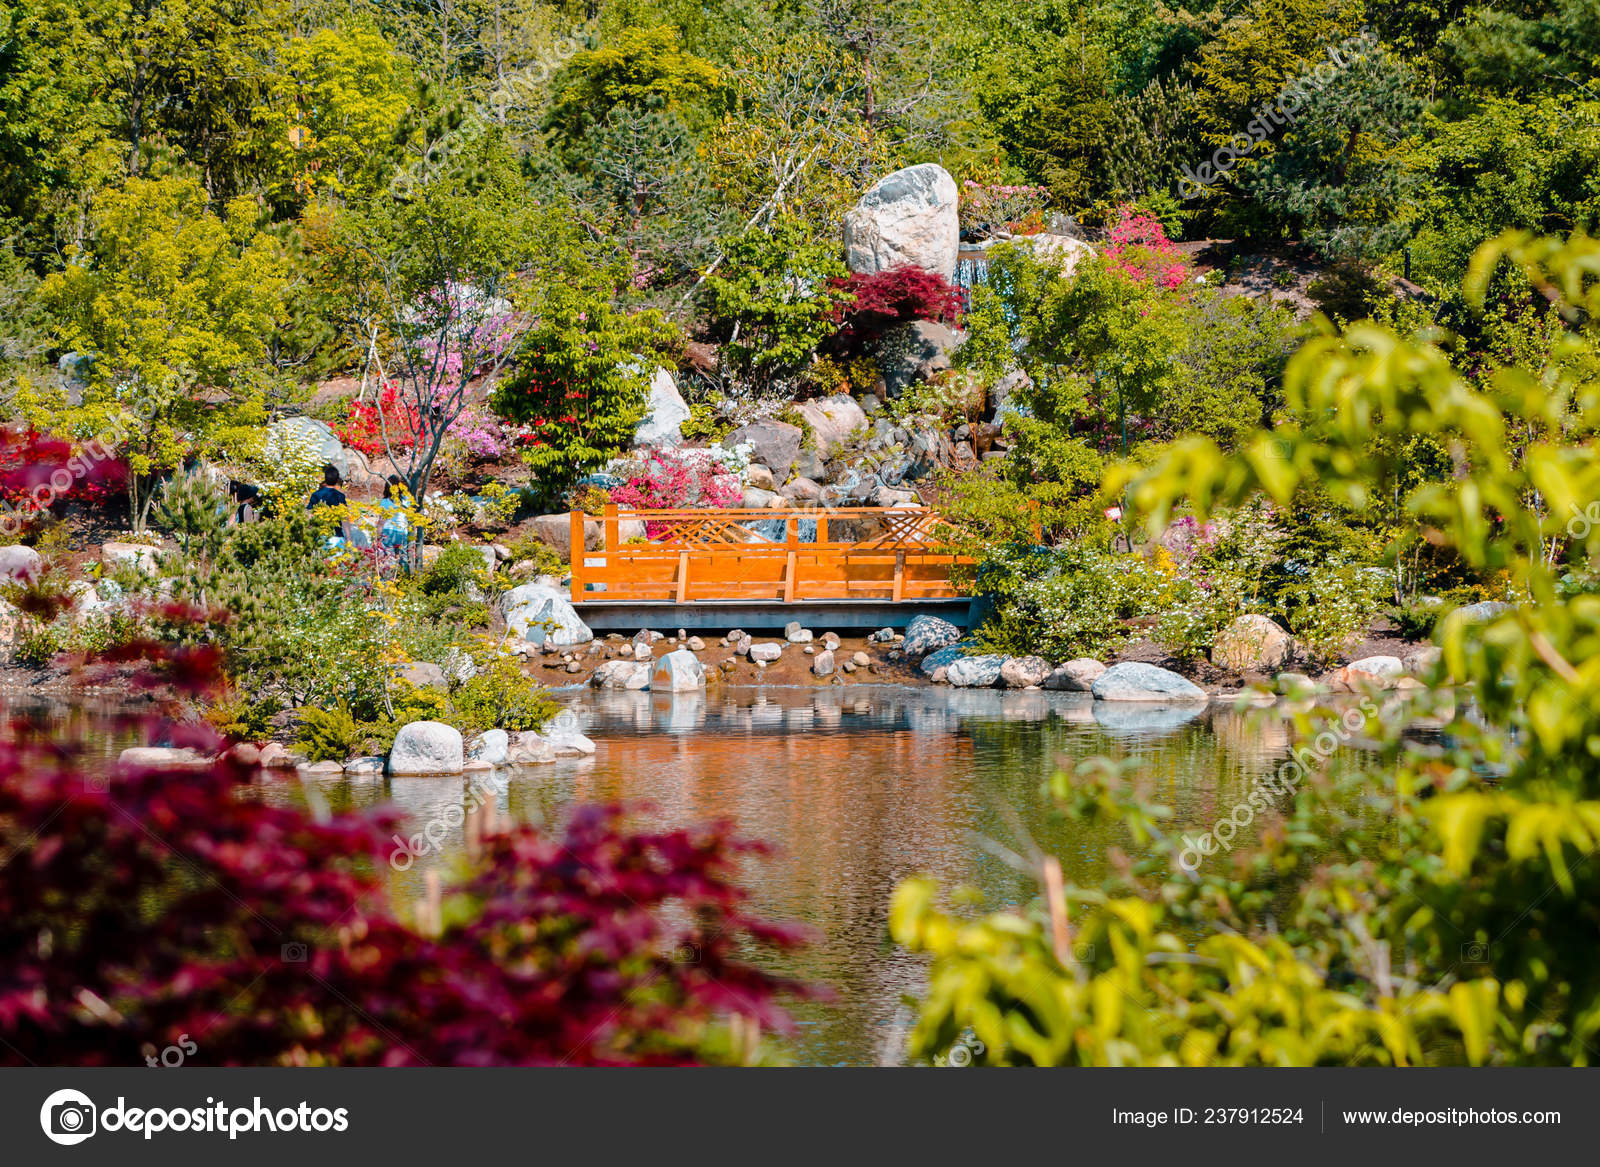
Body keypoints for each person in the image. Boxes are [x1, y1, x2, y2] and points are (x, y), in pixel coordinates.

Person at [307, 464, 353, 545]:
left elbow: (310, 515)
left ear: (325, 478)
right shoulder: (340, 496)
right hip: (336, 536)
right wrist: (349, 538)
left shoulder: (316, 495)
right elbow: (344, 518)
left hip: (320, 536)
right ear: (337, 480)